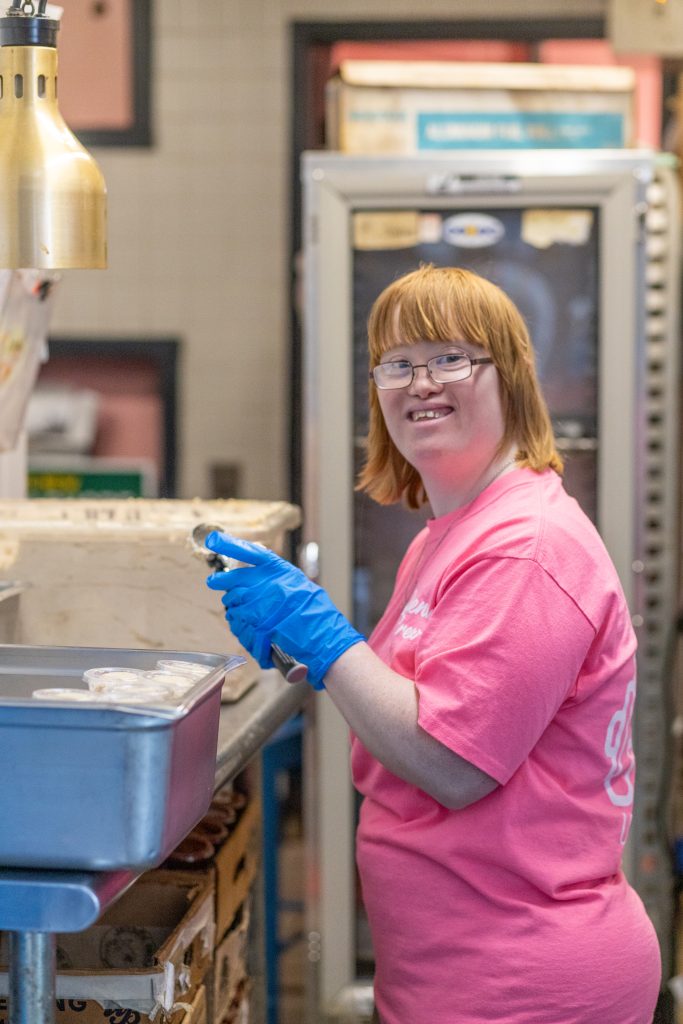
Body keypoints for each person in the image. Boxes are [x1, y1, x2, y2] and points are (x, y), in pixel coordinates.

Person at [205, 265, 661, 1024]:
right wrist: (310, 650)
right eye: (396, 363)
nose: (420, 382)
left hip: (527, 982)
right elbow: (419, 702)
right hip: (450, 969)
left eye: (450, 358)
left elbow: (453, 765)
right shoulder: (449, 534)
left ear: (510, 376)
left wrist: (326, 639)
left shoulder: (525, 548)